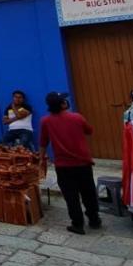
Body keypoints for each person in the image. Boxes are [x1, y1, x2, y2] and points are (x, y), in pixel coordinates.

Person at [39, 91, 100, 235]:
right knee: (88, 192)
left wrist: (41, 158)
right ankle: (94, 219)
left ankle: (77, 224)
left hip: (63, 165)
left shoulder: (46, 121)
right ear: (63, 104)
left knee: (70, 195)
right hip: (83, 163)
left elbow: (43, 142)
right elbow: (89, 131)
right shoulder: (77, 118)